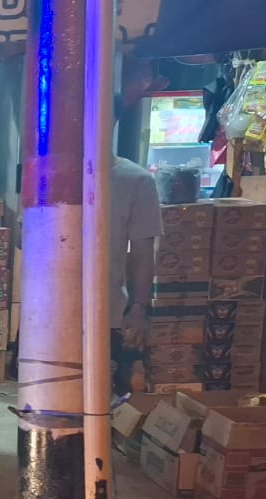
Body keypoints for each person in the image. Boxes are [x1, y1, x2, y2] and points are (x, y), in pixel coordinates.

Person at [110, 101, 164, 395]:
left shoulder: (136, 180)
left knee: (106, 402)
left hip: (108, 315)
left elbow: (144, 252)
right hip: (49, 317)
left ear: (112, 120)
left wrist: (139, 308)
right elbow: (24, 240)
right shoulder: (48, 175)